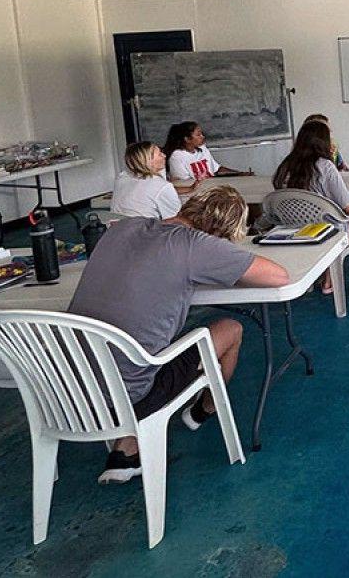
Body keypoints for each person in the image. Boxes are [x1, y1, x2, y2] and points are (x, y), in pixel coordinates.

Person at [68, 186, 290, 483]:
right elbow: (278, 276)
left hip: (68, 385)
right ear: (221, 231)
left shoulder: (123, 228)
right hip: (129, 393)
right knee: (231, 329)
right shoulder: (197, 244)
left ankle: (126, 447)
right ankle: (202, 411)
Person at [273, 120, 349, 295]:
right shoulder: (325, 166)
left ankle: (328, 279)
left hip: (294, 232)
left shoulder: (285, 167)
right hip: (327, 233)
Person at [110, 141, 189, 219]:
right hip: (143, 230)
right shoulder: (163, 186)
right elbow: (177, 220)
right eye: (159, 154)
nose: (164, 155)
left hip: (116, 229)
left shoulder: (121, 178)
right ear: (147, 160)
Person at [163, 121, 252, 182]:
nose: (202, 136)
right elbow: (183, 184)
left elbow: (217, 169)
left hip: (212, 187)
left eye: (201, 134)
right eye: (198, 135)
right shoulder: (177, 156)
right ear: (187, 139)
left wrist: (239, 174)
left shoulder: (202, 149)